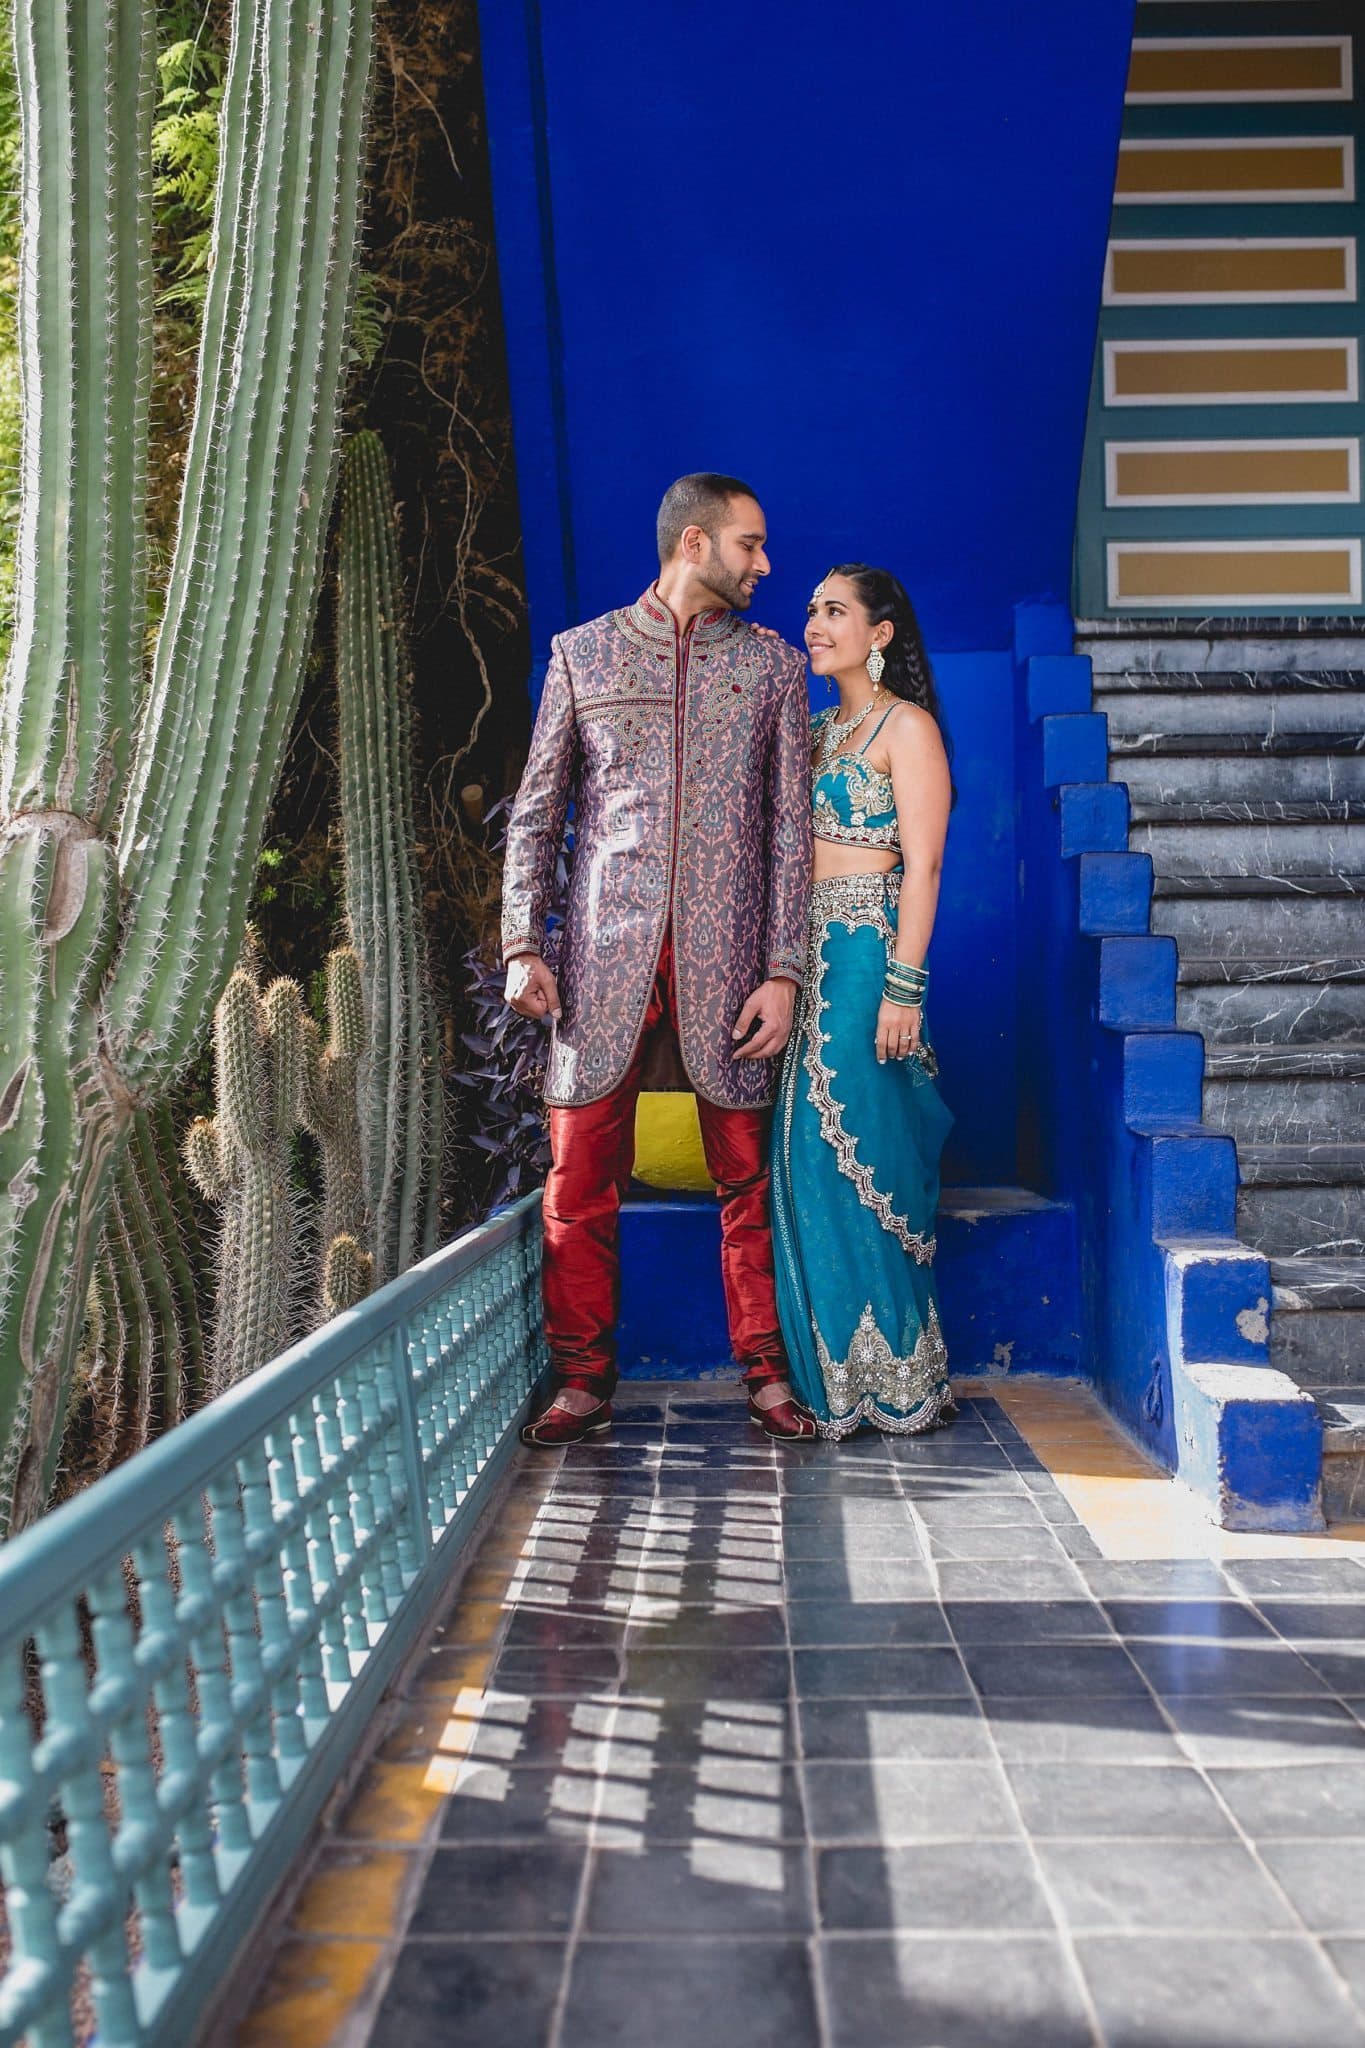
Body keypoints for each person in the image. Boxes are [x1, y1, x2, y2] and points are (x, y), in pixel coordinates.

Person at [502, 473, 817, 1445]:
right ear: (693, 544)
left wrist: (784, 967)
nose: (765, 564)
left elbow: (790, 832)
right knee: (577, 1183)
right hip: (601, 966)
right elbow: (536, 811)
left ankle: (766, 1373)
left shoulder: (771, 666)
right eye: (749, 545)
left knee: (748, 1182)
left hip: (730, 970)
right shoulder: (583, 655)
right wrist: (523, 941)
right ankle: (584, 1379)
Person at [770, 565, 956, 1437]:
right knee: (804, 1162)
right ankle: (832, 1387)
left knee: (862, 1152)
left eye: (833, 611)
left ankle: (900, 1382)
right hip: (798, 961)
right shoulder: (813, 732)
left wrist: (903, 990)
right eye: (810, 610)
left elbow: (921, 865)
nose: (814, 624)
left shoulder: (904, 728)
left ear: (879, 633)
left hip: (867, 955)